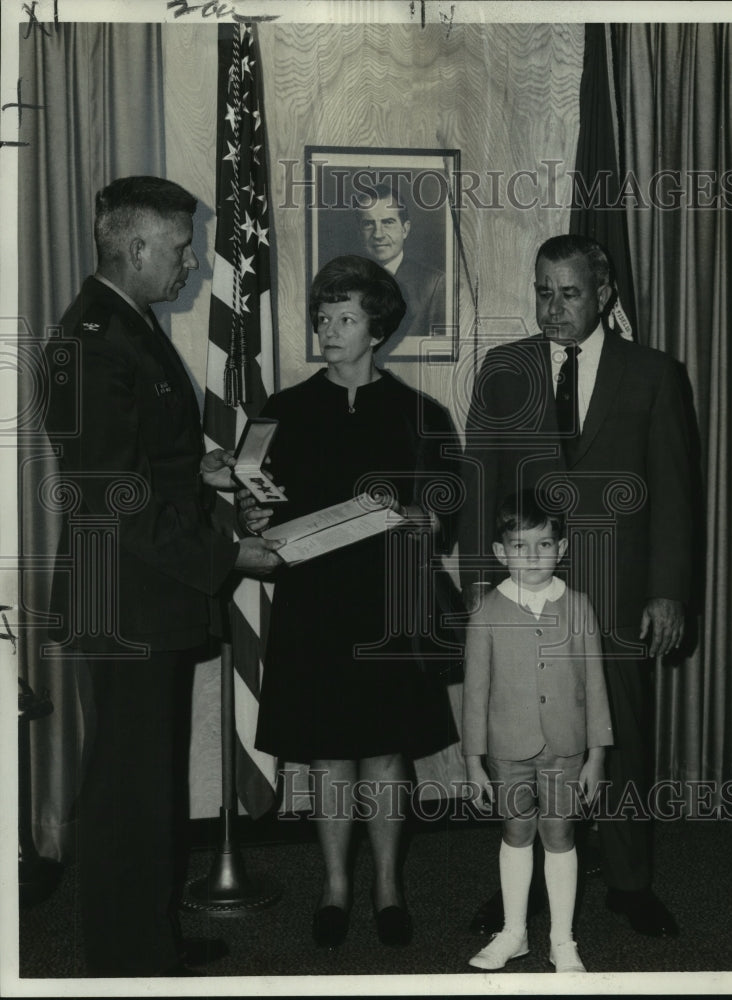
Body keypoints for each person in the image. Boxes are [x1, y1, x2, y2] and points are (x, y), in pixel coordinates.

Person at [43, 176, 283, 977]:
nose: (190, 265)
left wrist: (202, 470)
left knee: (147, 786)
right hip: (130, 602)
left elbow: (142, 466)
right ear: (136, 246)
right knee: (128, 793)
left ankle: (148, 940)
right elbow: (112, 497)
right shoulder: (90, 340)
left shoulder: (123, 325)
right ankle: (124, 961)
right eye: (181, 248)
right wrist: (228, 557)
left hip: (146, 596)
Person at [458, 234, 693, 939]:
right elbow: (479, 485)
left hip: (617, 590)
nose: (551, 308)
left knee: (616, 735)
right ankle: (522, 883)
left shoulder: (653, 374)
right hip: (522, 590)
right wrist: (477, 585)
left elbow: (676, 494)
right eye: (541, 292)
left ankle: (628, 882)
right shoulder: (503, 371)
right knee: (521, 736)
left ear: (604, 295)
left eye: (567, 294)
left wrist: (667, 590)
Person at [239, 254, 460, 948]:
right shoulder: (281, 410)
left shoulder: (420, 413)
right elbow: (254, 498)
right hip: (315, 604)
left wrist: (422, 518)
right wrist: (251, 515)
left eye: (343, 318)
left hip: (388, 604)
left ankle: (388, 887)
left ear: (376, 328)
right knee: (330, 755)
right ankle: (334, 888)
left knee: (387, 753)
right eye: (321, 318)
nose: (328, 330)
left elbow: (446, 507)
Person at [463, 492, 612, 972]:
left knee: (560, 834)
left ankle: (562, 939)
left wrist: (597, 756)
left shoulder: (579, 606)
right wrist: (473, 762)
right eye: (520, 546)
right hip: (508, 750)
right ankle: (513, 932)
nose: (533, 557)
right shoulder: (486, 613)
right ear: (501, 552)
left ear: (562, 549)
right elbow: (474, 694)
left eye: (544, 544)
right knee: (516, 832)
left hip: (567, 749)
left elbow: (595, 682)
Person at [353, 182, 446, 357]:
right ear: (359, 232)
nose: (378, 234)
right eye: (368, 224)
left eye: (388, 222)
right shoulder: (345, 283)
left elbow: (439, 355)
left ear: (405, 229)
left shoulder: (434, 284)